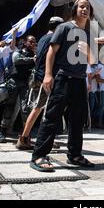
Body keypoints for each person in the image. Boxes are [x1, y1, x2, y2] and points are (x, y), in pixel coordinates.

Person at [30, 0, 104, 172]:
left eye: (88, 7)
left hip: (79, 81)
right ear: (75, 9)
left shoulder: (86, 33)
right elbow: (52, 52)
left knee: (77, 121)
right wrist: (48, 75)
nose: (85, 9)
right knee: (52, 118)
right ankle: (39, 156)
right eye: (82, 6)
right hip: (63, 78)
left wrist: (89, 50)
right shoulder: (64, 27)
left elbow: (92, 60)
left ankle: (75, 155)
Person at [16, 16, 64, 150]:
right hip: (46, 79)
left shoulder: (43, 38)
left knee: (40, 109)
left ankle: (39, 138)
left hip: (39, 77)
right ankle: (25, 138)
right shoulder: (54, 39)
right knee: (41, 109)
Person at [0, 35, 37, 143]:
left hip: (25, 84)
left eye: (34, 42)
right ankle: (3, 133)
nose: (33, 44)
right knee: (9, 108)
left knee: (25, 109)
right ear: (25, 42)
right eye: (31, 41)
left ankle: (25, 135)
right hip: (14, 83)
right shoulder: (18, 51)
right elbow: (17, 60)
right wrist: (31, 59)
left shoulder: (34, 55)